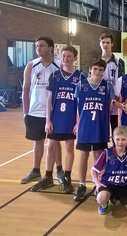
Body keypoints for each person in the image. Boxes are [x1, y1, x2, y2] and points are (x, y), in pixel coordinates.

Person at [31, 46, 84, 193]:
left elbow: (81, 102)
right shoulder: (55, 76)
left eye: (69, 56)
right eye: (64, 56)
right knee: (50, 145)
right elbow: (49, 99)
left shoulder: (80, 77)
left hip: (71, 119)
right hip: (56, 118)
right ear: (61, 57)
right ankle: (48, 176)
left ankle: (66, 178)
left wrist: (78, 123)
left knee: (69, 147)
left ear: (75, 58)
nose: (66, 58)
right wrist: (48, 120)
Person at [22, 36, 63, 184]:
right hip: (34, 111)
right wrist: (25, 112)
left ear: (50, 48)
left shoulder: (59, 66)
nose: (38, 48)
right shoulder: (31, 65)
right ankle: (35, 170)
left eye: (41, 46)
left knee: (54, 142)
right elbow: (25, 89)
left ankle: (58, 171)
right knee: (37, 142)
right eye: (36, 46)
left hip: (53, 112)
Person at [73, 59, 114, 201]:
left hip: (100, 127)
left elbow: (109, 110)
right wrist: (76, 124)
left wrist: (108, 129)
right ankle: (82, 184)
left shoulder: (107, 87)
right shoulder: (81, 85)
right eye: (95, 69)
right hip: (84, 127)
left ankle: (98, 184)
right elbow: (77, 109)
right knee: (83, 156)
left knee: (98, 157)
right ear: (90, 69)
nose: (98, 72)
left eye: (101, 70)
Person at [92, 126, 127, 215]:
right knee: (101, 198)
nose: (120, 142)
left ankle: (118, 199)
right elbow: (94, 170)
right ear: (113, 139)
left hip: (125, 187)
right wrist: (98, 185)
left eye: (123, 139)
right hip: (108, 185)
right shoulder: (107, 153)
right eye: (117, 139)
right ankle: (104, 204)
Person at [99, 33, 125, 135]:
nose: (105, 45)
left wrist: (116, 98)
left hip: (115, 101)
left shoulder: (119, 62)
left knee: (115, 130)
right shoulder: (96, 61)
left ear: (112, 44)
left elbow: (121, 81)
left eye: (108, 42)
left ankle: (115, 150)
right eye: (103, 42)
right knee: (102, 132)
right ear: (100, 44)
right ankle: (104, 151)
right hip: (100, 100)